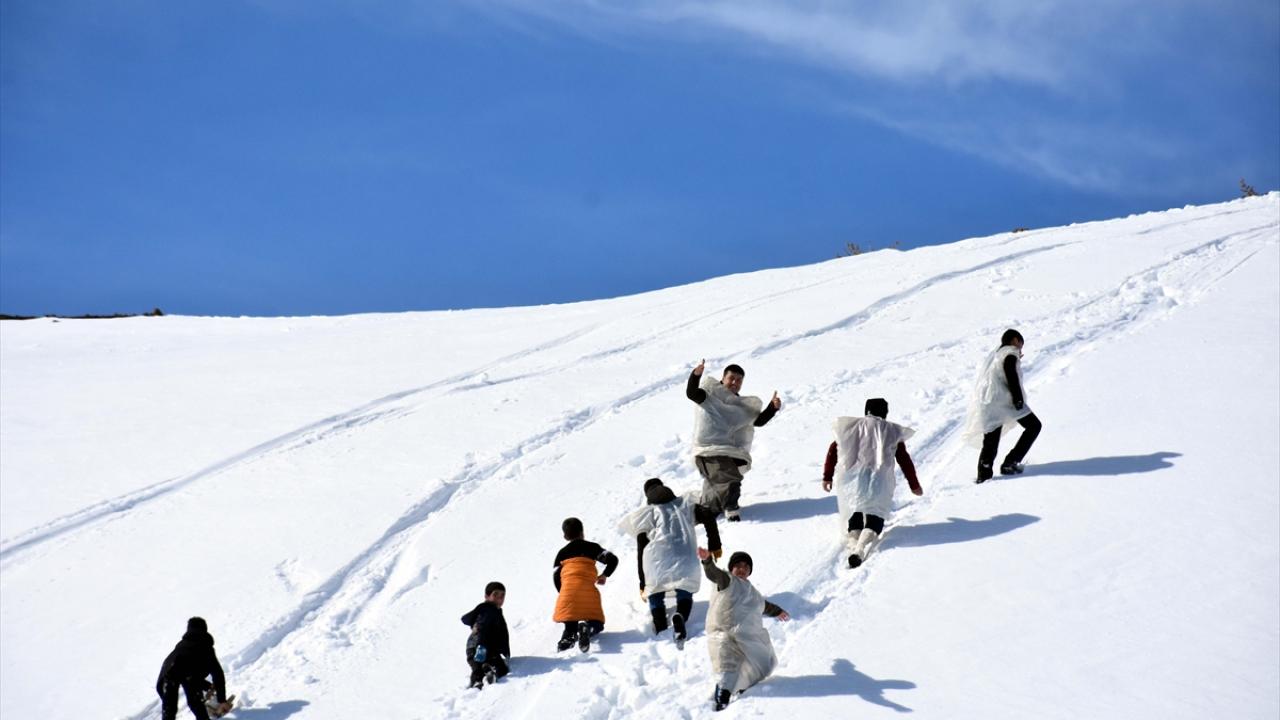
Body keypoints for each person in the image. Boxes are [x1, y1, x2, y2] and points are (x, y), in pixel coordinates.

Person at [617, 477, 723, 646]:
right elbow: (708, 515)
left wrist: (643, 583)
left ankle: (660, 626)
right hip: (685, 557)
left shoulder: (646, 514)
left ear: (647, 495)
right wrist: (714, 545)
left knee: (655, 591)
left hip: (656, 560)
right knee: (685, 587)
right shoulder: (685, 504)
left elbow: (641, 546)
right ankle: (680, 615)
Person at [821, 398, 923, 568]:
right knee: (875, 515)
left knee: (856, 514)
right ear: (885, 412)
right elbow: (904, 460)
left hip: (852, 480)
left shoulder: (851, 427)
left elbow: (833, 450)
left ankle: (853, 546)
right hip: (879, 480)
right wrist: (914, 485)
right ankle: (860, 549)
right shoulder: (891, 430)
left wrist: (827, 476)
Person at [686, 360, 782, 522]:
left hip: (731, 452)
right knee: (730, 477)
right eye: (732, 378)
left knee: (715, 494)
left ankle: (706, 510)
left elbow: (757, 421)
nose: (735, 383)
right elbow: (692, 393)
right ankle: (731, 510)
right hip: (708, 450)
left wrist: (772, 408)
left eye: (739, 380)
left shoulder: (740, 406)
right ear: (723, 378)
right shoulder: (710, 394)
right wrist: (695, 375)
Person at [696, 548, 789, 712]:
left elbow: (763, 606)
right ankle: (721, 704)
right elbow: (714, 574)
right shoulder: (727, 580)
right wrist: (708, 561)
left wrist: (778, 611)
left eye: (746, 566)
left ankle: (741, 690)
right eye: (738, 565)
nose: (742, 569)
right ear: (731, 568)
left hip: (746, 637)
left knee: (761, 664)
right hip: (723, 635)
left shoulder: (752, 592)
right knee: (727, 668)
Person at [963, 329, 1043, 482]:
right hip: (1006, 400)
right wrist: (1018, 398)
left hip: (989, 402)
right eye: (1020, 345)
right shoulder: (1010, 353)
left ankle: (983, 476)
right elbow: (1010, 371)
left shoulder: (996, 354)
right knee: (1034, 426)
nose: (1020, 350)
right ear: (1015, 340)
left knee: (991, 440)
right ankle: (1010, 462)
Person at [552, 517, 619, 652]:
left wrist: (564, 591)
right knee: (597, 623)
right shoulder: (592, 548)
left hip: (568, 594)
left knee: (570, 620)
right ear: (582, 532)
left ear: (565, 536)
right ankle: (588, 629)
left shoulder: (562, 553)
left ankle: (567, 638)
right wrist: (604, 575)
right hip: (588, 593)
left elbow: (556, 576)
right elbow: (613, 560)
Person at [155, 617, 231, 720]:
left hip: (168, 674)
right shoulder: (206, 647)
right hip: (184, 674)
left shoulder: (181, 645)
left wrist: (207, 686)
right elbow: (217, 674)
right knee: (196, 704)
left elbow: (184, 673)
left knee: (169, 710)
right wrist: (222, 700)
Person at [461, 581, 511, 690]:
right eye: (495, 594)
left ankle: (480, 677)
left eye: (502, 595)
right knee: (501, 668)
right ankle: (486, 674)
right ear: (486, 596)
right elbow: (482, 627)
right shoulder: (488, 610)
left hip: (474, 646)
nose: (499, 598)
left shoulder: (492, 611)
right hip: (483, 645)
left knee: (477, 667)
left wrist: (505, 651)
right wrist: (481, 646)